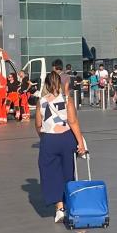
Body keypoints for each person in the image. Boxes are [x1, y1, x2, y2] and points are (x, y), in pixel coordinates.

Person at [35, 71, 86, 223]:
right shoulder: (66, 99)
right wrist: (80, 142)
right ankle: (70, 204)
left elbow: (38, 125)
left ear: (47, 84)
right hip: (66, 139)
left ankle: (59, 208)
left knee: (51, 173)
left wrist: (44, 138)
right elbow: (73, 121)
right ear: (61, 83)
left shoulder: (41, 101)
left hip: (48, 140)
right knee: (67, 172)